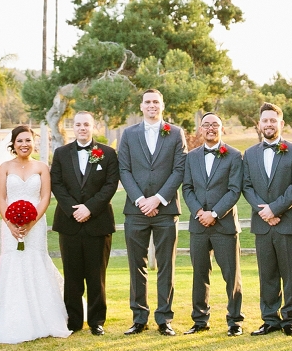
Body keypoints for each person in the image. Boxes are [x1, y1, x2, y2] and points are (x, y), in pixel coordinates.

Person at [0, 125, 71, 344]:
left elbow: (45, 197)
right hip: (10, 226)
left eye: (28, 140)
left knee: (35, 260)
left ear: (34, 143)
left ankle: (44, 317)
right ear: (13, 144)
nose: (24, 144)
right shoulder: (4, 168)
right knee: (13, 263)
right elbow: (1, 198)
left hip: (36, 225)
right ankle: (11, 318)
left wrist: (31, 222)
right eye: (20, 141)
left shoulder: (42, 167)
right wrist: (10, 224)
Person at [117, 89, 187, 336]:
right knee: (136, 265)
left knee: (166, 265)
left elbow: (179, 169)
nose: (151, 105)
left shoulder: (176, 133)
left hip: (166, 209)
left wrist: (157, 199)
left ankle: (164, 318)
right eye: (147, 102)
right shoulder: (129, 134)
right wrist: (140, 200)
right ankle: (139, 318)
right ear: (141, 106)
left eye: (156, 102)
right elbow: (124, 169)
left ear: (162, 105)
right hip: (135, 210)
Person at [50, 111, 119, 335]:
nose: (82, 128)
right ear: (73, 127)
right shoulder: (61, 153)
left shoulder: (107, 153)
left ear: (93, 127)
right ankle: (74, 321)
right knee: (72, 276)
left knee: (96, 276)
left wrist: (89, 208)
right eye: (78, 124)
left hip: (98, 223)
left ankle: (96, 321)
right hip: (69, 223)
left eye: (86, 124)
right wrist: (74, 210)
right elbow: (56, 184)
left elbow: (111, 184)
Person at [242, 103, 292, 336]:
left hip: (288, 222)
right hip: (262, 224)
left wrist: (275, 209)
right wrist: (264, 211)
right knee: (267, 274)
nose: (268, 124)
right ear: (259, 124)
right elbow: (246, 186)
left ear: (281, 123)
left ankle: (290, 320)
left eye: (273, 120)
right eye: (265, 120)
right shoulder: (250, 154)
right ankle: (269, 319)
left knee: (290, 275)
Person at [182, 112, 243, 335]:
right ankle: (200, 320)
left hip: (224, 225)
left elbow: (234, 190)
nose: (210, 128)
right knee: (199, 274)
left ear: (222, 128)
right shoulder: (191, 157)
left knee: (231, 275)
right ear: (200, 129)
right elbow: (187, 188)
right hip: (199, 225)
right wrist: (199, 212)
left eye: (215, 125)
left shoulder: (234, 155)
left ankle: (235, 321)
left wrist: (215, 214)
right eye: (206, 124)